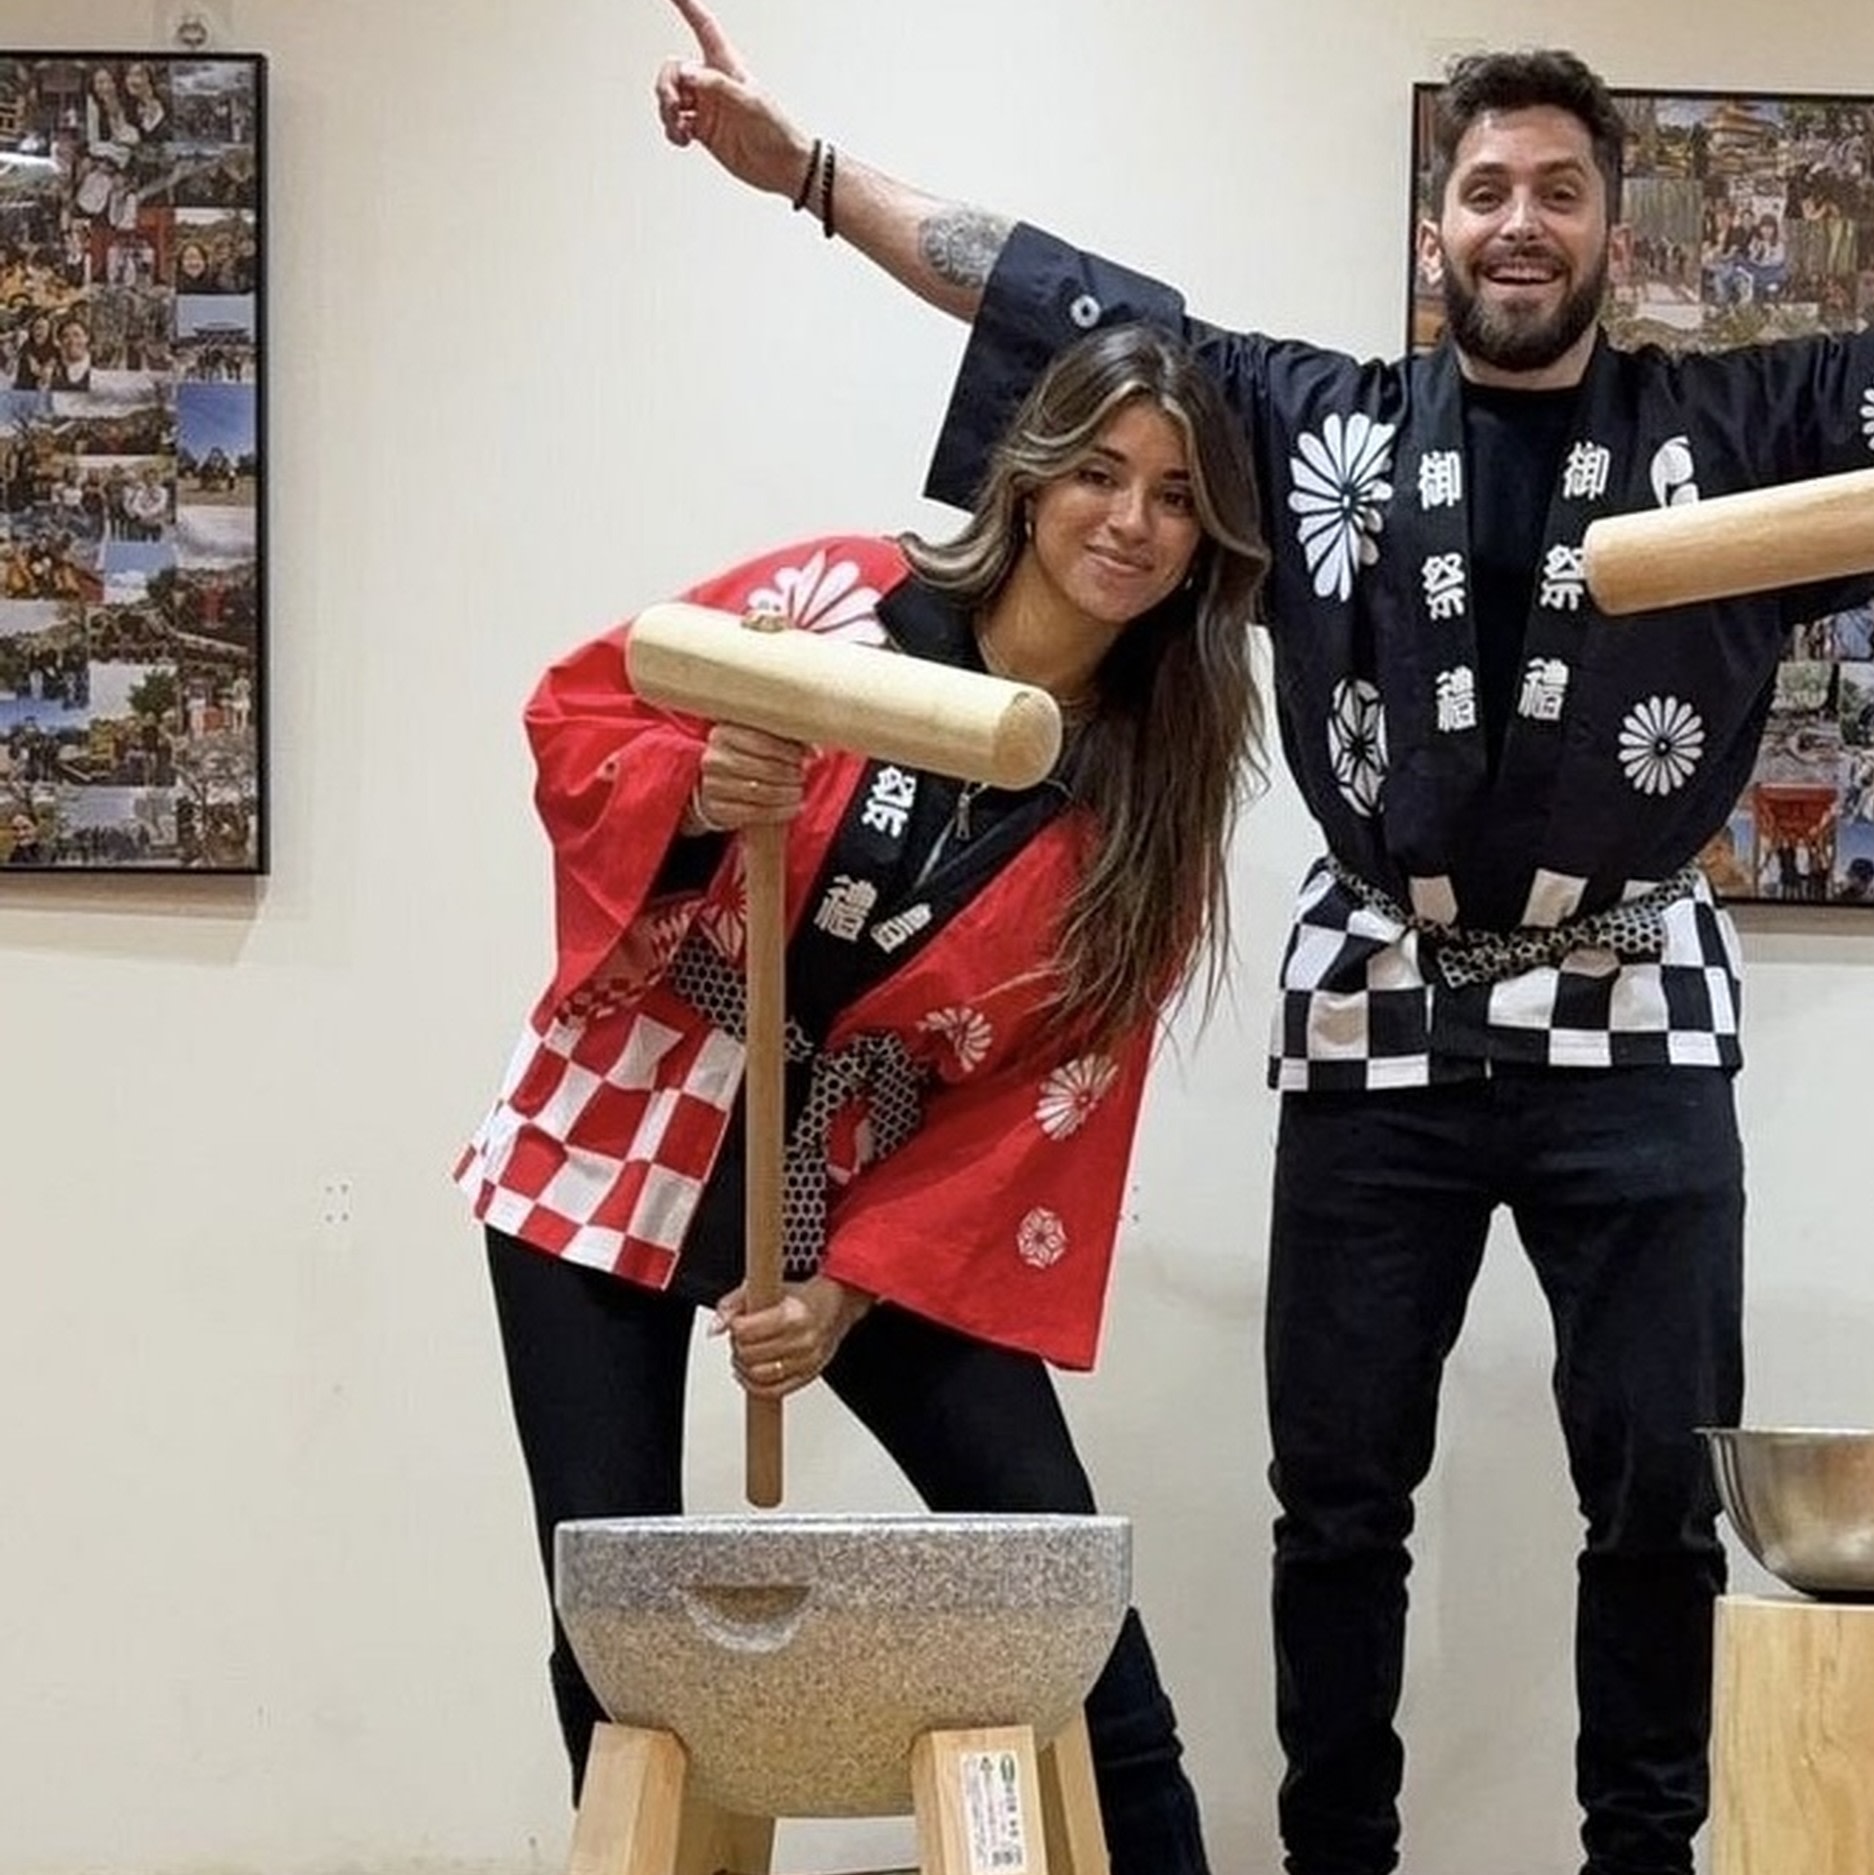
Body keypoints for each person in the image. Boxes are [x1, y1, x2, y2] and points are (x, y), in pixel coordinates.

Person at [650, 11, 1874, 1871]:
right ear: (1437, 228)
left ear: (1617, 237)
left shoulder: (1736, 437)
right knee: (1336, 1502)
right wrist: (803, 171)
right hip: (1377, 1003)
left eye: (1561, 194)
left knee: (1663, 1495)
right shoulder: (1307, 423)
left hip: (1640, 998)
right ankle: (1339, 1856)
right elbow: (1043, 292)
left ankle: (1643, 1859)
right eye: (1487, 189)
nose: (1521, 222)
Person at [452, 323, 1268, 1873]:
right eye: (1099, 473)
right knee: (614, 1604)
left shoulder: (1148, 788)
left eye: (1174, 496)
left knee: (1049, 1568)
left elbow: (1049, 1093)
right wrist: (696, 795)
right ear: (1028, 484)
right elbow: (584, 711)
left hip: (872, 1171)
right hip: (631, 1095)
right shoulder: (847, 604)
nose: (1130, 521)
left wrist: (846, 1293)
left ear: (1206, 540)